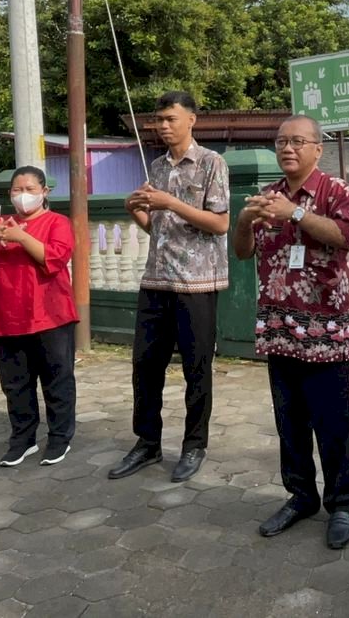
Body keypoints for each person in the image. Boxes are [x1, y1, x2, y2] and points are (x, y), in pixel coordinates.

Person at [235, 115, 349, 550]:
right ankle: (300, 496)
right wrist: (243, 219)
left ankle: (343, 503)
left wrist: (297, 212)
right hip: (279, 328)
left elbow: (345, 236)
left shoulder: (336, 192)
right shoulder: (267, 195)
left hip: (326, 329)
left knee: (335, 421)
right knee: (289, 420)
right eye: (281, 141)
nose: (287, 148)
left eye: (296, 141)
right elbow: (242, 250)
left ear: (317, 149)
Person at [111, 91, 231, 484]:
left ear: (192, 120)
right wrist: (139, 211)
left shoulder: (212, 163)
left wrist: (170, 202)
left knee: (197, 369)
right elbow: (158, 228)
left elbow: (220, 223)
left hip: (197, 283)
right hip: (156, 280)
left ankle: (194, 445)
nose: (163, 125)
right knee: (145, 366)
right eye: (159, 119)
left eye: (170, 119)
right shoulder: (157, 168)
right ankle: (147, 442)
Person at [0, 167, 79, 467]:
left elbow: (54, 258)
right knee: (15, 384)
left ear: (44, 192)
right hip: (4, 316)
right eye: (16, 190)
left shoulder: (57, 222)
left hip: (49, 314)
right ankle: (22, 439)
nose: (22, 195)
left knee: (57, 380)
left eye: (29, 189)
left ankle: (59, 438)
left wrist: (20, 237)